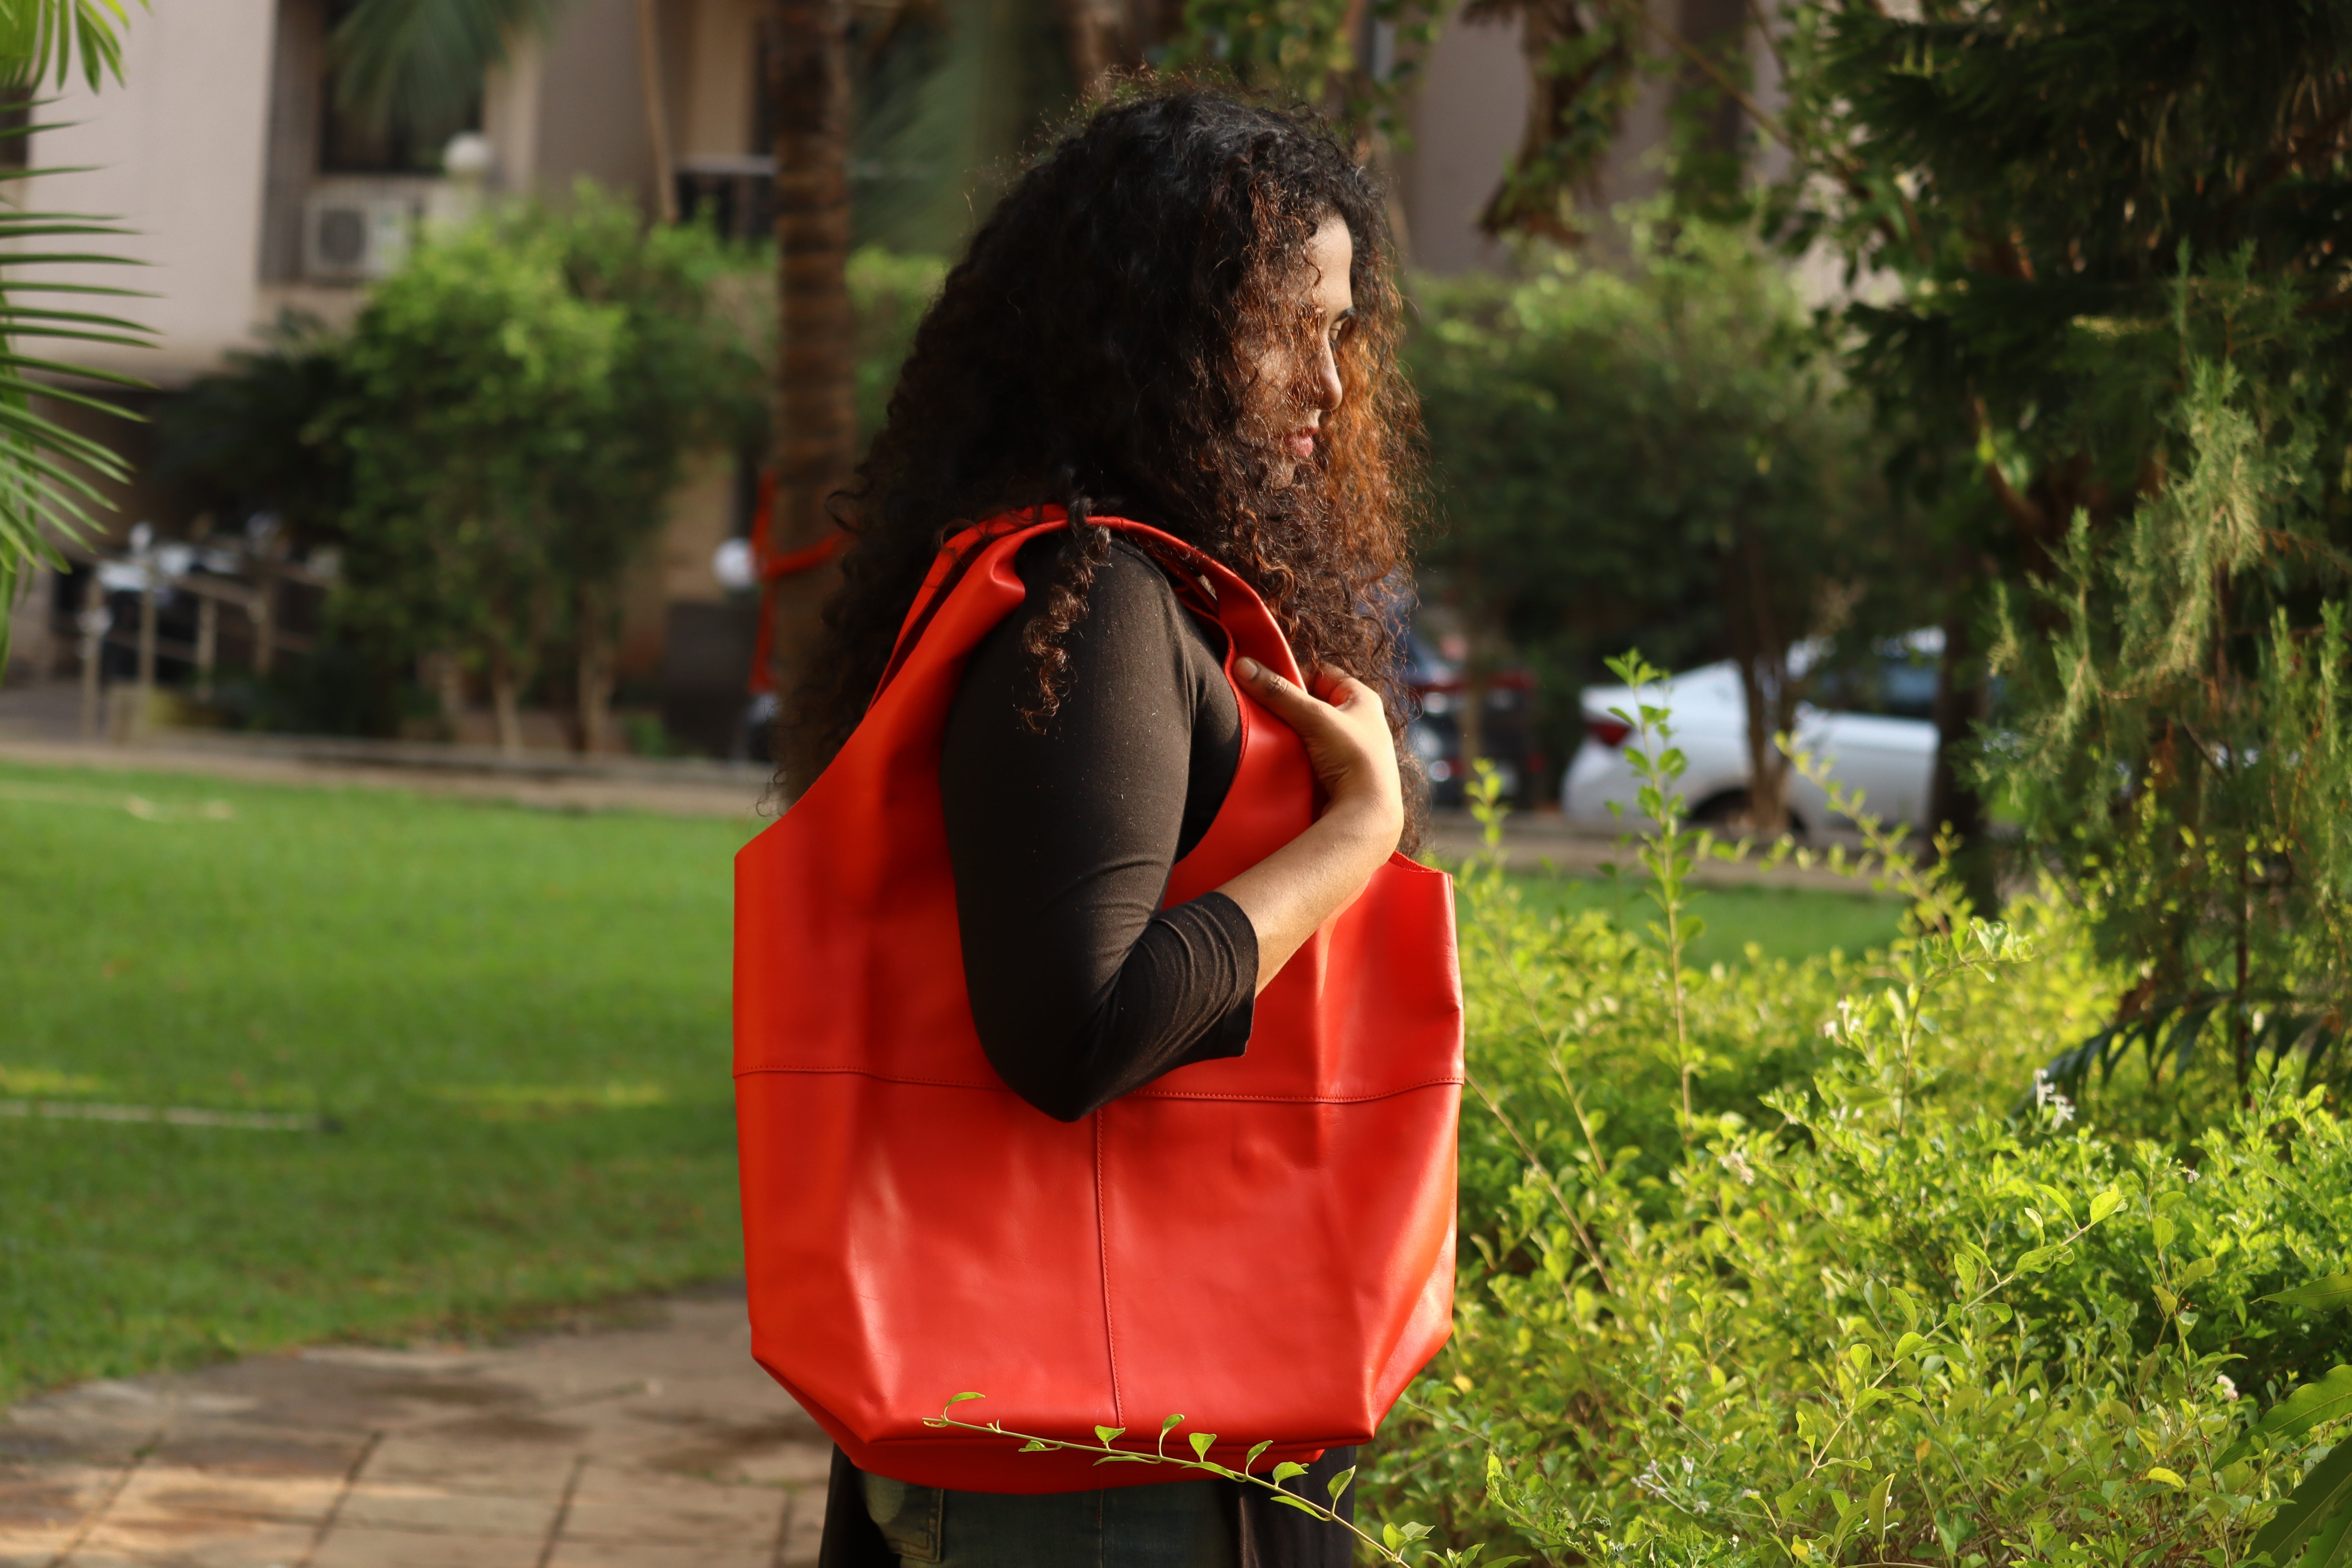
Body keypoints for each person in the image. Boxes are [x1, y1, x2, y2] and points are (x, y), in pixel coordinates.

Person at [781, 86, 1437, 1568]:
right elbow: (1072, 1030)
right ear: (1162, 332)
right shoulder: (1099, 610)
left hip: (1103, 1439)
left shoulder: (1111, 601)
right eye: (1293, 323)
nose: (1330, 384)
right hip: (1092, 1468)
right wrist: (1355, 834)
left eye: (1344, 330)